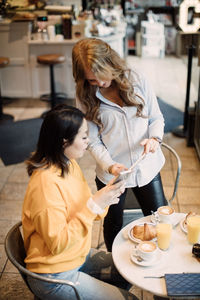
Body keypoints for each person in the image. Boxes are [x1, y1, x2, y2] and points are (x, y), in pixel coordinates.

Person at [22, 104, 138, 300]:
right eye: (84, 137)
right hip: (55, 275)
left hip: (77, 256)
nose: (89, 141)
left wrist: (106, 196)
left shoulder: (69, 164)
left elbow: (87, 209)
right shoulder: (45, 184)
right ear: (64, 141)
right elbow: (58, 243)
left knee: (130, 267)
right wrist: (93, 205)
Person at [72, 38, 167, 252]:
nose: (99, 83)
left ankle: (161, 262)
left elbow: (156, 117)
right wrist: (110, 166)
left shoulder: (137, 78)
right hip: (112, 173)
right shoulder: (84, 94)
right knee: (113, 223)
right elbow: (92, 141)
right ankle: (116, 268)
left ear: (110, 63)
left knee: (160, 219)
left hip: (147, 166)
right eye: (91, 80)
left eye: (101, 76)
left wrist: (154, 139)